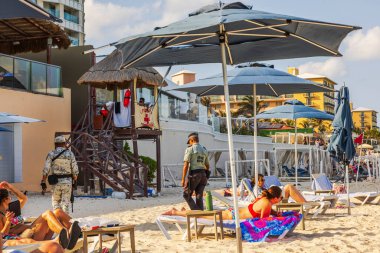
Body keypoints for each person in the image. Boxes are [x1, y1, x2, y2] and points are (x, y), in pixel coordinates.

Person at [0, 182, 81, 250]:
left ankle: (77, 233)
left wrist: (10, 187)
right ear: (4, 200)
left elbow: (23, 198)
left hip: (31, 230)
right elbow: (2, 235)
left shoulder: (11, 209)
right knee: (47, 213)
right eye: (9, 197)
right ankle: (64, 236)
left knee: (58, 212)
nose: (11, 199)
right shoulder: (1, 216)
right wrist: (8, 222)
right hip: (25, 236)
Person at [164, 186, 284, 220]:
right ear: (275, 198)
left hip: (234, 212)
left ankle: (185, 211)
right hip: (232, 216)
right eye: (281, 198)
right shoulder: (267, 204)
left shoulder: (263, 199)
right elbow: (263, 220)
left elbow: (262, 211)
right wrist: (277, 218)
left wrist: (275, 213)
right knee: (202, 215)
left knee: (204, 213)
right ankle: (176, 212)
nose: (281, 200)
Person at [41, 135, 79, 213]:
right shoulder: (70, 154)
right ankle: (65, 221)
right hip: (67, 182)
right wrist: (75, 180)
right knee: (65, 204)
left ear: (55, 144)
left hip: (55, 182)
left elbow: (46, 169)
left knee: (56, 203)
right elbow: (75, 170)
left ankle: (57, 220)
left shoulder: (51, 154)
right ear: (64, 143)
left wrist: (43, 181)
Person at [181, 132, 210, 210]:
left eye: (189, 141)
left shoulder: (190, 149)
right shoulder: (204, 149)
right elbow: (207, 165)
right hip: (203, 175)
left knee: (186, 194)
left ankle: (196, 211)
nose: (189, 143)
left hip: (194, 174)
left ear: (192, 140)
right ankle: (200, 215)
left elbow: (186, 165)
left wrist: (183, 179)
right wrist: (206, 176)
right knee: (199, 196)